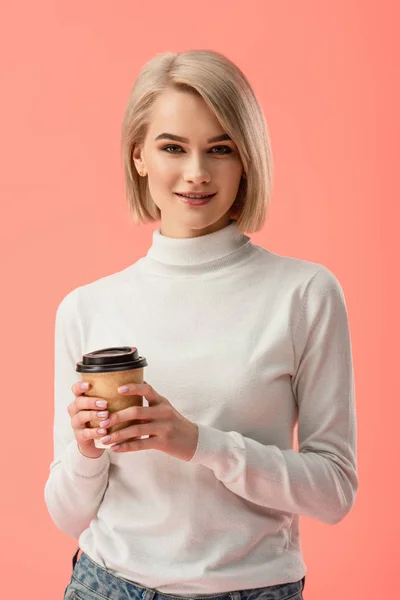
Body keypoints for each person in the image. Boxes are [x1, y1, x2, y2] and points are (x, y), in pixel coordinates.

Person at [44, 49, 358, 600]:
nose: (196, 173)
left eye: (220, 150)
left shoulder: (304, 294)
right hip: (106, 586)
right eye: (172, 147)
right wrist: (86, 450)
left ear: (246, 161)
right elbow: (67, 513)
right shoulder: (86, 307)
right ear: (138, 155)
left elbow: (334, 491)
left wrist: (199, 443)